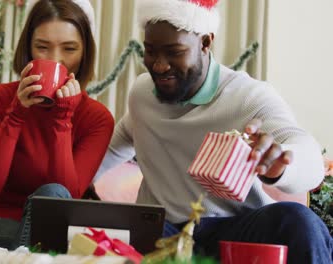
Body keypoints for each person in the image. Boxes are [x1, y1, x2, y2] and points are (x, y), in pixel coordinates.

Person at [94, 0, 333, 263]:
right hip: (165, 231)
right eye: (150, 51)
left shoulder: (247, 97)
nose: (159, 66)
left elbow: (309, 159)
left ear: (206, 43)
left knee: (298, 221)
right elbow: (111, 149)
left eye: (174, 52)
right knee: (131, 224)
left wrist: (282, 165)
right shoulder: (142, 95)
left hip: (235, 228)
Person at [0, 0, 114, 250]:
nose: (57, 60)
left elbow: (66, 200)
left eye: (70, 48)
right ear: (28, 49)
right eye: (42, 47)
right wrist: (16, 114)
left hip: (51, 228)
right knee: (48, 239)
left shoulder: (96, 118)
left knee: (52, 195)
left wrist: (62, 120)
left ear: (85, 52)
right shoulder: (0, 99)